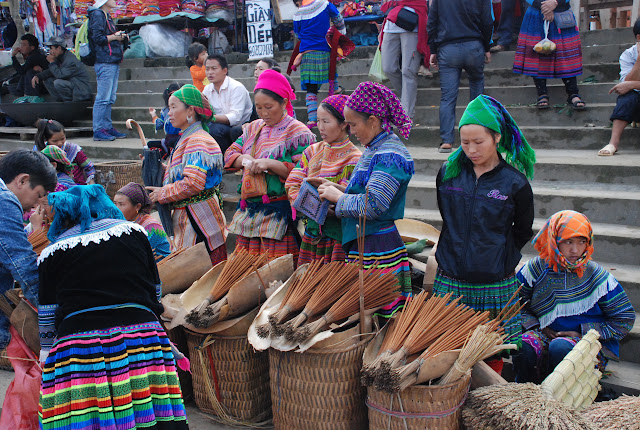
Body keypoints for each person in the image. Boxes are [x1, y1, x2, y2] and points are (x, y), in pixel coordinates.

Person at [37, 185, 189, 430]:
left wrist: (46, 353)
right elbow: (154, 288)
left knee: (92, 414)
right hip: (142, 338)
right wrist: (156, 326)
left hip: (81, 347)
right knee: (146, 410)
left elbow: (47, 312)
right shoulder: (135, 232)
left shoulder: (52, 252)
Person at [433, 95, 536, 372]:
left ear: (496, 138)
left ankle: (485, 398)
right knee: (449, 346)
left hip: (494, 280)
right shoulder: (448, 174)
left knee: (491, 348)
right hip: (451, 276)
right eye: (465, 142)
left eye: (478, 142)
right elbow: (447, 217)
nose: (471, 149)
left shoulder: (514, 183)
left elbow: (523, 230)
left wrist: (502, 257)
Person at [317, 82, 414, 317]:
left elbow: (374, 205)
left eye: (353, 124)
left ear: (372, 120)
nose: (351, 131)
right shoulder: (374, 147)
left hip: (378, 249)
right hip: (366, 245)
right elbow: (366, 192)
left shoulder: (390, 155)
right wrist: (338, 189)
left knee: (378, 317)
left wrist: (339, 198)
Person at [514, 210, 635, 382]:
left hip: (583, 342)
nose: (575, 250)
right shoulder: (535, 269)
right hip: (543, 333)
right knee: (524, 345)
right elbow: (513, 304)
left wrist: (581, 333)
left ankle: (559, 401)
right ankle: (523, 393)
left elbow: (624, 319)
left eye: (582, 242)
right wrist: (538, 327)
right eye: (568, 242)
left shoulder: (598, 277)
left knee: (561, 347)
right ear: (554, 240)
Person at [225, 69, 315, 261]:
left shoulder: (298, 133)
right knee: (247, 268)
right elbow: (230, 153)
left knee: (277, 267)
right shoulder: (253, 128)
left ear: (284, 102)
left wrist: (271, 164)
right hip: (250, 208)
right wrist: (245, 161)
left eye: (269, 107)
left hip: (279, 208)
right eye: (259, 108)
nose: (264, 113)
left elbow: (304, 172)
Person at [146, 84, 227, 265]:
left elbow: (193, 183)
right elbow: (186, 174)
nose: (169, 113)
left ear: (190, 110)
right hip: (194, 215)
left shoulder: (197, 140)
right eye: (169, 108)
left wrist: (163, 193)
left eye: (174, 107)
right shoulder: (189, 137)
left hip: (198, 218)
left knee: (198, 272)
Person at [285, 94, 361, 266]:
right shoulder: (312, 151)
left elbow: (345, 198)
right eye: (318, 121)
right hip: (311, 233)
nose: (320, 127)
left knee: (331, 286)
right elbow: (292, 183)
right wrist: (307, 204)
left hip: (337, 237)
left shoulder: (355, 158)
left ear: (344, 124)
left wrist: (319, 205)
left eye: (326, 122)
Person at [0, 149, 56, 351]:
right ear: (23, 180)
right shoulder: (4, 201)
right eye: (38, 195)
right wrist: (56, 313)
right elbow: (23, 265)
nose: (35, 205)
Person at [428, 0, 494, 153]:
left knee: (448, 97)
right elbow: (487, 21)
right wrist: (486, 47)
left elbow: (432, 22)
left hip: (448, 48)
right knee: (477, 90)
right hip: (474, 46)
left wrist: (433, 49)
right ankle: (478, 135)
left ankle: (447, 141)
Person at [513, 0, 585, 110]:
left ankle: (573, 93)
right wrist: (545, 8)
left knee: (565, 54)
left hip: (561, 12)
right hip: (536, 12)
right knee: (537, 53)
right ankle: (542, 94)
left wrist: (556, 2)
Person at [292, 0, 346, 128]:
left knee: (311, 89)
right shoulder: (325, 4)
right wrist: (342, 33)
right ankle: (337, 95)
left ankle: (312, 119)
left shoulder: (298, 14)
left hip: (308, 53)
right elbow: (338, 19)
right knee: (332, 77)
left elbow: (297, 33)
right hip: (325, 49)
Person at [379, 0, 429, 120]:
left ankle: (406, 115)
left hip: (412, 24)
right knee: (388, 67)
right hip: (391, 23)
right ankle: (406, 97)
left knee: (408, 70)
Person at [599, 19, 640, 156]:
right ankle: (613, 143)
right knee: (627, 97)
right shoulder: (629, 55)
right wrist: (639, 60)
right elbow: (624, 86)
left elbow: (628, 84)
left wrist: (633, 84)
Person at [89, 0, 128, 141]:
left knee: (110, 98)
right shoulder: (98, 15)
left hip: (112, 60)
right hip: (105, 61)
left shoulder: (106, 15)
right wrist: (116, 37)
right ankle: (98, 130)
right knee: (103, 98)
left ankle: (107, 127)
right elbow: (97, 38)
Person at [202, 54, 253, 153]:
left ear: (224, 70)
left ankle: (226, 159)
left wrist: (211, 117)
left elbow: (236, 118)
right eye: (207, 69)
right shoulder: (207, 89)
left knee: (215, 129)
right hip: (219, 124)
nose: (209, 72)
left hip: (240, 125)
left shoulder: (236, 87)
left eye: (214, 68)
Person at [114, 182, 171, 262]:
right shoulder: (125, 223)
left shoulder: (151, 227)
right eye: (115, 204)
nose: (116, 209)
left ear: (137, 206)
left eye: (121, 204)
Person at [35, 118, 96, 185]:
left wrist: (91, 182)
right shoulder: (40, 152)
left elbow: (88, 167)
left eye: (62, 139)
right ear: (46, 139)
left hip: (77, 186)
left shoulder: (73, 149)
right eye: (55, 141)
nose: (60, 143)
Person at [32, 36, 92, 102]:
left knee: (58, 82)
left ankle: (68, 103)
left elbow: (60, 75)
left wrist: (52, 62)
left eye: (51, 48)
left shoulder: (70, 60)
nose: (50, 51)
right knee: (47, 80)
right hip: (73, 84)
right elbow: (52, 71)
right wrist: (39, 76)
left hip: (81, 90)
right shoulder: (61, 57)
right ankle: (60, 101)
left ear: (59, 48)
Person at [148, 82, 183, 158]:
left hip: (182, 139)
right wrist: (154, 115)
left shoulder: (185, 108)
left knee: (173, 142)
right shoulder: (165, 110)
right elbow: (160, 125)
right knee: (150, 145)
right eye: (172, 95)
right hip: (169, 139)